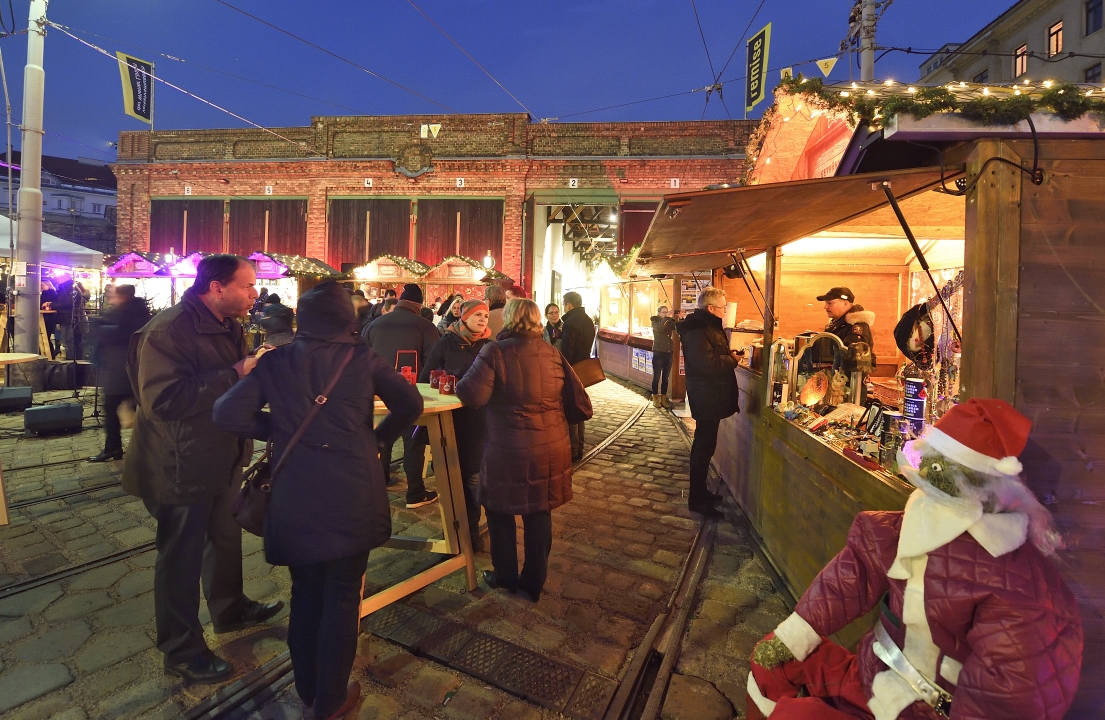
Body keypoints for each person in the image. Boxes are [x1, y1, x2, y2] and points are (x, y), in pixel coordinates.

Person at [747, 399, 1083, 720]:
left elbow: (1008, 699)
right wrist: (792, 636)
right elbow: (852, 576)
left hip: (922, 709)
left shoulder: (1019, 588)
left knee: (797, 715)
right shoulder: (909, 523)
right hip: (875, 678)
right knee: (769, 663)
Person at [214, 281, 422, 720]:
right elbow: (410, 403)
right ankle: (330, 700)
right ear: (347, 318)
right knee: (344, 596)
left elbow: (227, 414)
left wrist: (279, 430)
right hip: (352, 490)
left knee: (306, 592)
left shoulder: (277, 362)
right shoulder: (362, 358)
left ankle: (308, 689)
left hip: (296, 492)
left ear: (301, 319)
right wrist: (378, 441)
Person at [123, 254, 284, 683]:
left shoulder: (229, 324)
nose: (255, 293)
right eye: (247, 286)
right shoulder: (168, 330)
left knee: (224, 536)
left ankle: (229, 609)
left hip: (219, 454)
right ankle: (181, 649)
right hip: (177, 462)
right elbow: (161, 402)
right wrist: (236, 372)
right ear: (217, 288)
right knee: (180, 557)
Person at [456, 299, 591, 601]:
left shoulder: (495, 351)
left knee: (499, 509)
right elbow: (581, 405)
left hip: (509, 448)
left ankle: (504, 575)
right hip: (550, 447)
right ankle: (533, 581)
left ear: (508, 319)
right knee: (538, 511)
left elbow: (472, 394)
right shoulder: (552, 353)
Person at [418, 299, 492, 550]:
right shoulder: (445, 343)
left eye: (485, 315)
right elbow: (425, 378)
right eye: (478, 315)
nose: (483, 319)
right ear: (464, 317)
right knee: (450, 477)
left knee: (472, 477)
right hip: (450, 419)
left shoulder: (490, 347)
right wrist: (444, 384)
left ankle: (471, 532)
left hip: (479, 421)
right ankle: (452, 530)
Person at [364, 283, 440, 507]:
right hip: (410, 393)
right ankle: (415, 492)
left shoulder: (374, 324)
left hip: (377, 392)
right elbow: (432, 362)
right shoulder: (425, 326)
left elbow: (363, 356)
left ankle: (380, 482)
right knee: (413, 441)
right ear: (418, 305)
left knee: (381, 437)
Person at [675, 286, 740, 518]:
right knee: (703, 448)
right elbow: (705, 364)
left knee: (706, 446)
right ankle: (697, 499)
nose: (725, 310)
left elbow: (710, 357)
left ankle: (701, 492)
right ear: (710, 308)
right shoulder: (699, 328)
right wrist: (731, 360)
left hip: (709, 394)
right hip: (706, 394)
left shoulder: (707, 325)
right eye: (723, 307)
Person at [89, 285, 151, 463]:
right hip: (128, 369)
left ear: (122, 296)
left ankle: (114, 448)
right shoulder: (136, 312)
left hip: (120, 369)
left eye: (115, 296)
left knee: (111, 408)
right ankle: (121, 448)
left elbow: (117, 336)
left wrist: (100, 325)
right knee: (134, 408)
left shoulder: (128, 314)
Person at [559, 291, 596, 463]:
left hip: (572, 370)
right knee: (579, 407)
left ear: (568, 305)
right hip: (583, 369)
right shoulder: (588, 320)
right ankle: (579, 446)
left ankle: (573, 450)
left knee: (571, 410)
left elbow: (567, 352)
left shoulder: (570, 322)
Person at [815, 286, 876, 371]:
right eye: (826, 303)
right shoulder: (837, 325)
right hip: (835, 379)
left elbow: (856, 364)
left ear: (845, 303)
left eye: (830, 303)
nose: (825, 307)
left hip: (847, 382)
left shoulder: (856, 326)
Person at [650, 305, 676, 408]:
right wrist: (667, 317)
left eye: (666, 312)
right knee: (656, 377)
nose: (665, 314)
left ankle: (664, 399)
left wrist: (680, 317)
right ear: (658, 313)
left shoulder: (668, 321)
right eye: (663, 312)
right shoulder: (655, 321)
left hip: (668, 352)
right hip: (658, 352)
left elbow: (677, 329)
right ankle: (655, 398)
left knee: (666, 377)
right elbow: (660, 329)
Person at [40, 280, 59, 358]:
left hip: (47, 319)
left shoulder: (49, 293)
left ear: (48, 285)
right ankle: (49, 356)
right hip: (47, 318)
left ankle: (49, 355)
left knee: (45, 337)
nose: (40, 287)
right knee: (46, 338)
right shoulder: (52, 293)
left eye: (42, 285)